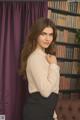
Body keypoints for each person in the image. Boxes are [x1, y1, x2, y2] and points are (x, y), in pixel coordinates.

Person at [19, 17, 60, 120]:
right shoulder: (35, 58)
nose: (47, 38)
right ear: (36, 35)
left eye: (50, 35)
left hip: (46, 112)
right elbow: (45, 91)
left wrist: (53, 115)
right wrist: (54, 65)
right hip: (37, 113)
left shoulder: (46, 57)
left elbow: (52, 90)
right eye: (43, 34)